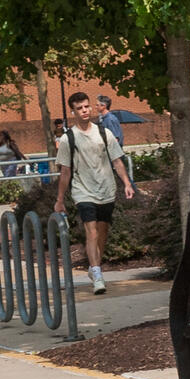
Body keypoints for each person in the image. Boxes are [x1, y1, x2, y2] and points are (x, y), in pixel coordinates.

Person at [52, 93, 136, 296]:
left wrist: (126, 183)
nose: (85, 111)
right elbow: (65, 171)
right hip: (83, 191)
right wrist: (60, 199)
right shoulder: (68, 138)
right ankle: (98, 275)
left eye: (87, 107)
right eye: (80, 108)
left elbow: (117, 161)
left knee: (102, 232)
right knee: (91, 231)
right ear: (73, 112)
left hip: (106, 188)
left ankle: (93, 266)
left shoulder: (104, 133)